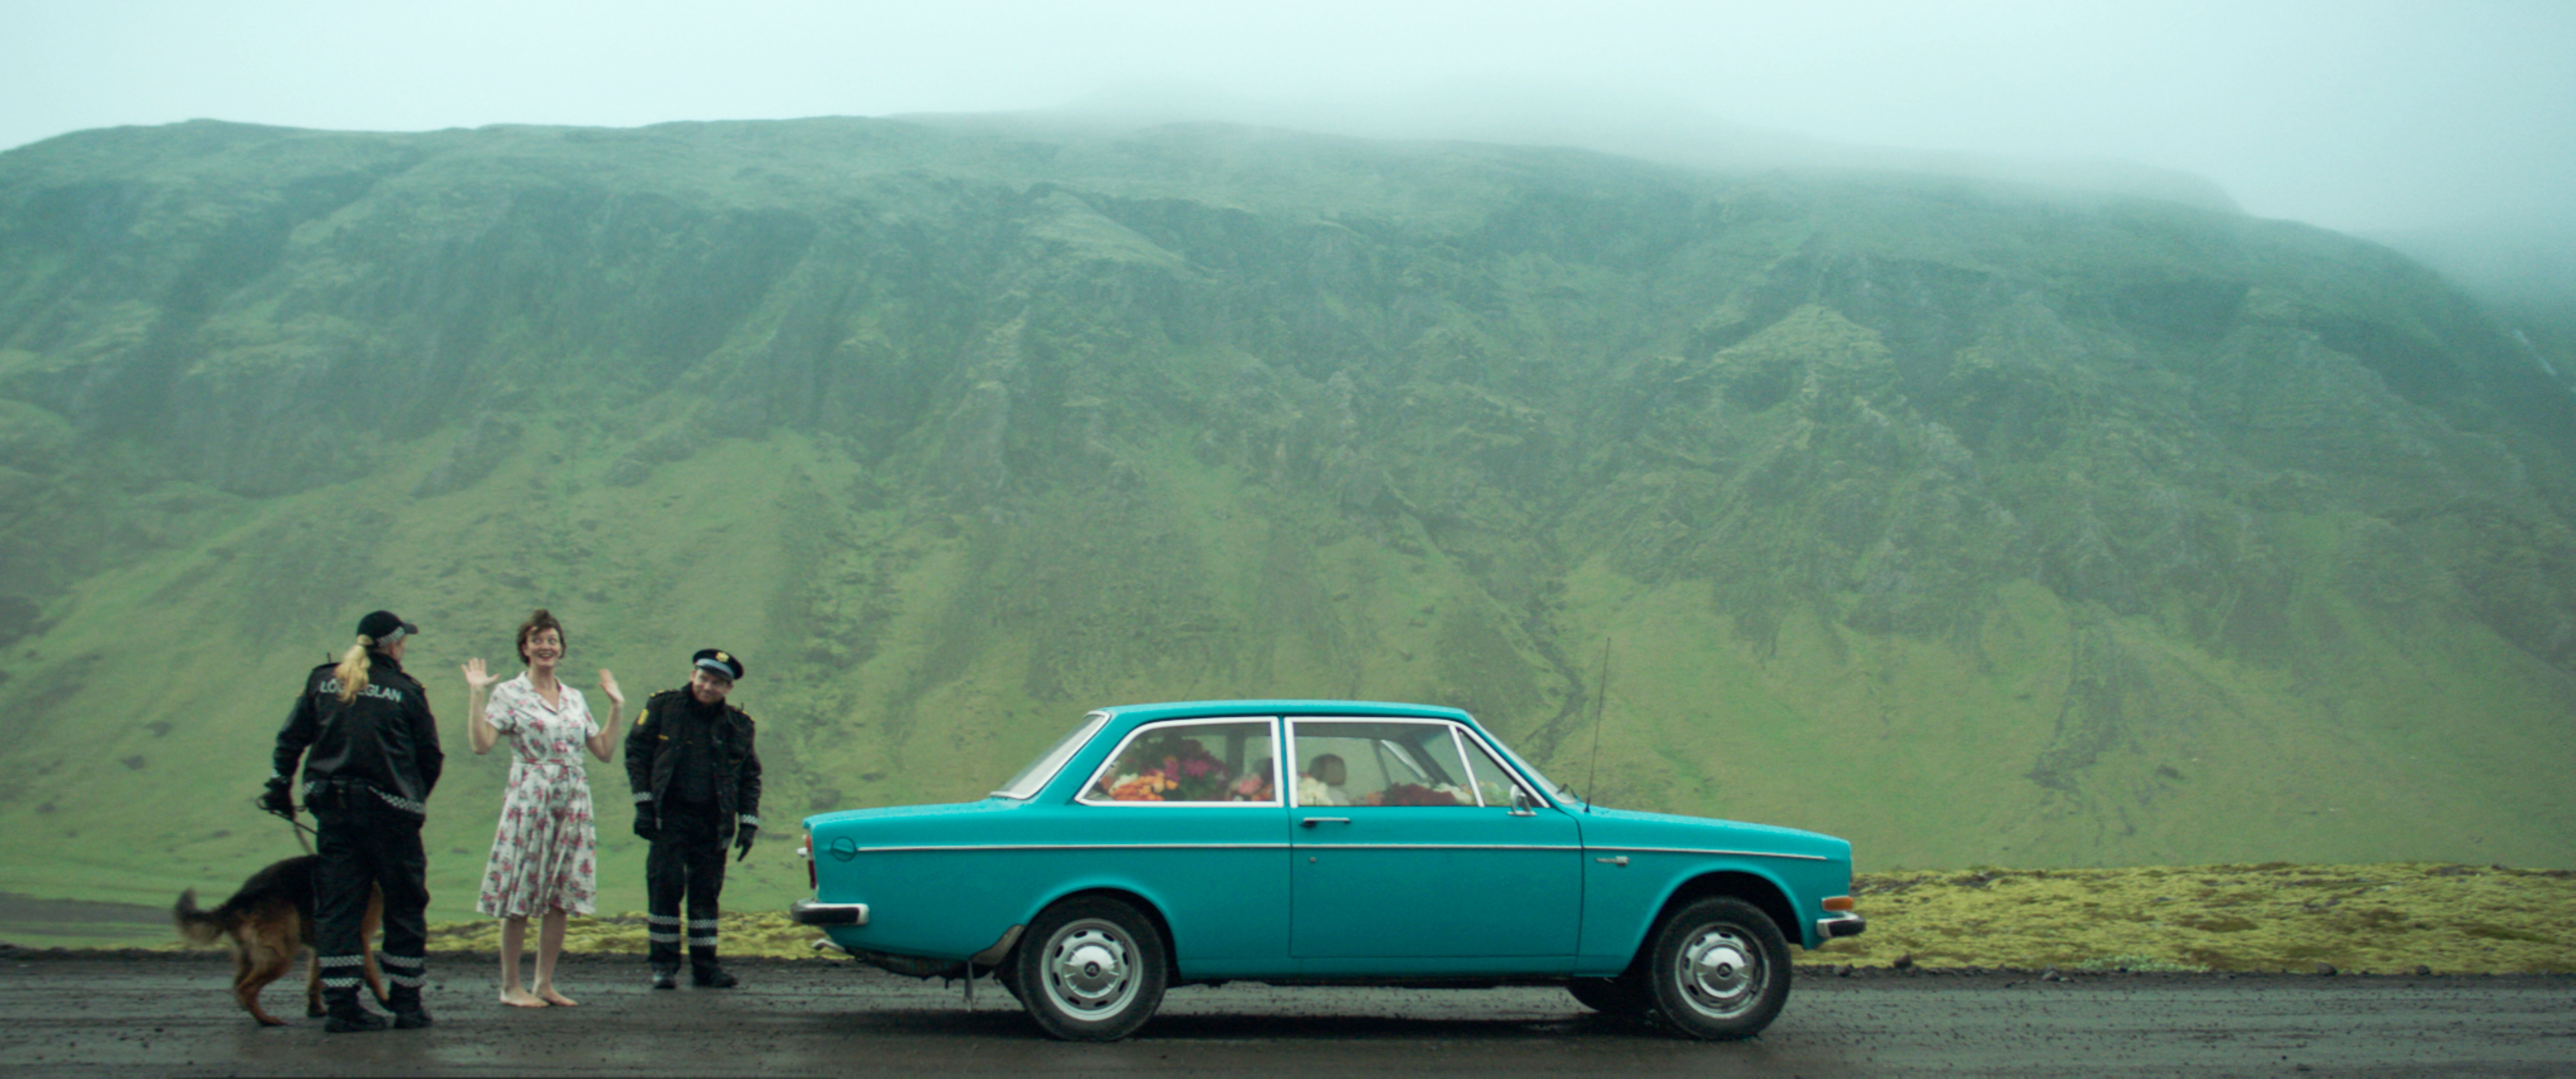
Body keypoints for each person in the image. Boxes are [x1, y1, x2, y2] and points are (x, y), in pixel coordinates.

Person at [263, 610, 443, 1033]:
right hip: (393, 818)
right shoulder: (407, 690)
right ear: (394, 645)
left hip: (336, 812)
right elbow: (430, 757)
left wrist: (279, 787)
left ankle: (342, 1006)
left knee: (339, 910)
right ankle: (407, 1004)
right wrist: (413, 799)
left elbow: (291, 739)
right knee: (404, 905)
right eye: (404, 642)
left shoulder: (322, 681)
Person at [462, 609, 624, 1008]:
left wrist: (617, 706)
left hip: (572, 799)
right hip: (530, 799)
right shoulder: (510, 694)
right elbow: (482, 743)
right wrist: (477, 693)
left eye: (552, 639)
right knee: (521, 887)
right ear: (525, 648)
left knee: (561, 893)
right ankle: (510, 985)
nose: (546, 646)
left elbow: (602, 750)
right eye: (537, 639)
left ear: (561, 648)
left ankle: (544, 982)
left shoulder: (574, 697)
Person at [625, 649, 761, 989]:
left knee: (706, 893)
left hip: (713, 821)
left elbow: (749, 774)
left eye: (717, 682)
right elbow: (636, 754)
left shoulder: (739, 725)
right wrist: (643, 805)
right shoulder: (662, 707)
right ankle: (663, 966)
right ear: (692, 675)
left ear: (728, 688)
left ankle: (705, 967)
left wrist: (748, 822)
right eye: (703, 678)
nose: (707, 686)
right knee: (664, 887)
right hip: (668, 817)